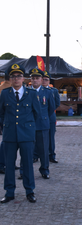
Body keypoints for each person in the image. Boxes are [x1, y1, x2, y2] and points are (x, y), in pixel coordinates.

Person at [0, 64, 40, 203]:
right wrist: (5, 127)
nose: (16, 79)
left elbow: (37, 113)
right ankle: (9, 192)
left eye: (18, 76)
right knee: (9, 164)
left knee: (28, 164)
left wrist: (28, 127)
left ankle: (30, 191)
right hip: (10, 135)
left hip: (26, 135)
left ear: (23, 78)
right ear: (10, 79)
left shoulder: (32, 94)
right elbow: (1, 114)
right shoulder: (5, 94)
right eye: (13, 76)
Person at [29, 68, 55, 179]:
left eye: (37, 78)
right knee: (27, 150)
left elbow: (51, 108)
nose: (35, 80)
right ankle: (24, 170)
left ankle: (44, 170)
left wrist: (43, 118)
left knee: (44, 149)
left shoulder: (48, 92)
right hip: (29, 125)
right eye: (33, 78)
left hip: (43, 124)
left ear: (41, 79)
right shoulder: (26, 92)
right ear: (30, 79)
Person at [42, 71, 60, 163]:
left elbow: (56, 103)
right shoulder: (36, 91)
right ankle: (36, 155)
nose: (44, 81)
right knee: (38, 137)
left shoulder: (54, 91)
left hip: (50, 116)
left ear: (49, 81)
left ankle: (51, 155)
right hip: (39, 117)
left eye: (46, 80)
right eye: (43, 79)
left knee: (50, 137)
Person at [0, 74, 12, 173]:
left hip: (4, 119)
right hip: (7, 119)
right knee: (6, 142)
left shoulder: (2, 87)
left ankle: (7, 163)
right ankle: (2, 164)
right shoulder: (7, 89)